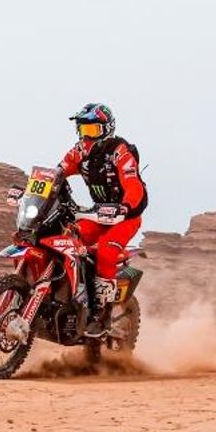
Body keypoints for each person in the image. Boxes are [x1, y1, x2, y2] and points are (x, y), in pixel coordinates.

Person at [58, 102, 148, 337]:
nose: (87, 137)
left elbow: (134, 185)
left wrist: (126, 207)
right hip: (98, 214)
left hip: (126, 217)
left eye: (93, 130)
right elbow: (58, 171)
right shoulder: (80, 151)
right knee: (68, 237)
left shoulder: (120, 152)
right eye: (83, 130)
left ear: (107, 129)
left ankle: (102, 314)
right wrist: (37, 189)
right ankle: (70, 295)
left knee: (107, 251)